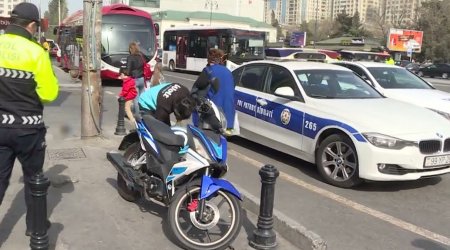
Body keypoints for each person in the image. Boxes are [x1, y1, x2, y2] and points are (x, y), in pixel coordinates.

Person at [0, 2, 59, 236]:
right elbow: (49, 93)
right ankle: (35, 229)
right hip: (28, 131)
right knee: (34, 180)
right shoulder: (36, 52)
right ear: (32, 25)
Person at [191, 48, 236, 135]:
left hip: (213, 114)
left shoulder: (208, 70)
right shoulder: (228, 72)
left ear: (209, 59)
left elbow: (196, 88)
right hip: (228, 117)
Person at [124, 42, 145, 114]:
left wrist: (122, 71)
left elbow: (128, 71)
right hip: (142, 79)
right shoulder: (141, 56)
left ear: (130, 49)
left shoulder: (130, 57)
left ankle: (137, 115)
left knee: (136, 99)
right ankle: (143, 114)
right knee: (142, 98)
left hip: (134, 80)